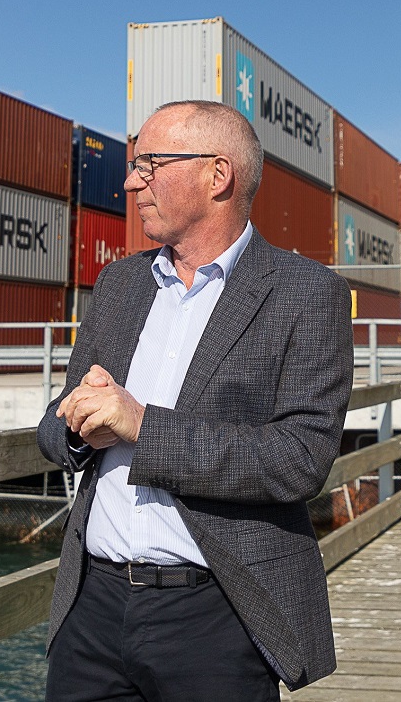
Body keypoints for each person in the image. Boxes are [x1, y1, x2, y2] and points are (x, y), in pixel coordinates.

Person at [37, 100, 353, 701]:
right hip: (92, 609)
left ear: (217, 175)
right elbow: (56, 425)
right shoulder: (119, 284)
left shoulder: (306, 294)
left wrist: (140, 426)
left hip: (216, 616)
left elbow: (298, 460)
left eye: (151, 162)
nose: (132, 180)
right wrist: (78, 429)